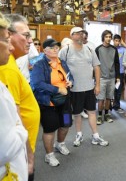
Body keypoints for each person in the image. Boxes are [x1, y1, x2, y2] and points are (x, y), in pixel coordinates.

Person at [0, 13, 40, 181]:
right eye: (26, 35)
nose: (30, 41)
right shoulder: (7, 67)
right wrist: (29, 156)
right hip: (15, 157)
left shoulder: (10, 63)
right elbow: (15, 117)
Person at [58, 27, 108, 147]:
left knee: (92, 112)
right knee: (77, 114)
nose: (81, 35)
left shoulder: (90, 50)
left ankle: (95, 136)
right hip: (74, 89)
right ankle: (79, 134)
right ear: (72, 36)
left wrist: (97, 85)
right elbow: (59, 68)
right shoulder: (65, 50)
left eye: (82, 33)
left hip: (89, 88)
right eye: (78, 33)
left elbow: (96, 67)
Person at [31, 38, 74, 167]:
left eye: (57, 47)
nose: (56, 50)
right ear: (45, 50)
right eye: (52, 48)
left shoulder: (63, 62)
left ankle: (60, 144)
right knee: (50, 129)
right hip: (48, 103)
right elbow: (37, 84)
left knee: (66, 124)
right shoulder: (39, 65)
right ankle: (49, 155)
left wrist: (70, 82)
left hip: (65, 102)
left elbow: (70, 76)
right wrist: (57, 89)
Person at [95, 30, 120, 124]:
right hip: (101, 78)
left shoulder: (114, 49)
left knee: (109, 98)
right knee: (101, 99)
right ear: (103, 38)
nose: (108, 38)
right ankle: (99, 115)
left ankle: (107, 114)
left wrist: (118, 76)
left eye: (110, 37)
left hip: (112, 77)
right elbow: (95, 65)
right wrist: (95, 79)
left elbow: (117, 64)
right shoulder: (98, 49)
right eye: (106, 37)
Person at [112, 34, 126, 114]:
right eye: (116, 41)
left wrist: (123, 43)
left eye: (119, 41)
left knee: (118, 90)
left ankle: (117, 106)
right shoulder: (110, 49)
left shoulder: (122, 49)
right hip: (111, 74)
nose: (117, 42)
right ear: (113, 40)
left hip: (120, 73)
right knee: (111, 90)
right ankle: (109, 105)